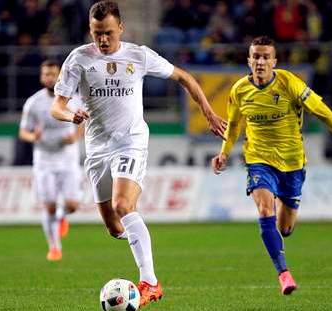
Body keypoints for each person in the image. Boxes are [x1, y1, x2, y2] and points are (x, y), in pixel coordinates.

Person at [50, 1, 227, 308]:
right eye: (96, 34)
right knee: (113, 225)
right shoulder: (78, 59)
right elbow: (57, 105)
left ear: (120, 28)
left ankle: (150, 282)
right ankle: (138, 236)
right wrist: (70, 116)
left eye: (107, 33)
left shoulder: (139, 55)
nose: (102, 40)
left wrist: (209, 113)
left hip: (130, 141)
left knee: (122, 204)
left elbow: (184, 77)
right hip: (96, 149)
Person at [211, 36, 332, 295]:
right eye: (256, 57)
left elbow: (324, 113)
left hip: (293, 163)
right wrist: (224, 153)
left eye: (265, 57)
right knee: (264, 210)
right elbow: (235, 124)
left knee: (285, 228)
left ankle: (284, 216)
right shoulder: (239, 90)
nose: (260, 61)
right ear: (249, 60)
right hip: (259, 160)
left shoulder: (290, 83)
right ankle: (284, 273)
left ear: (274, 61)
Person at [19, 59, 84, 262]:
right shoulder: (33, 103)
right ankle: (54, 247)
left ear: (60, 76)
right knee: (48, 205)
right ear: (41, 77)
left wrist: (76, 136)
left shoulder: (73, 99)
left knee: (72, 205)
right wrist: (33, 137)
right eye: (46, 74)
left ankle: (62, 215)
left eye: (53, 74)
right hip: (44, 160)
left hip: (67, 158)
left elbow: (85, 121)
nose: (49, 77)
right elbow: (23, 132)